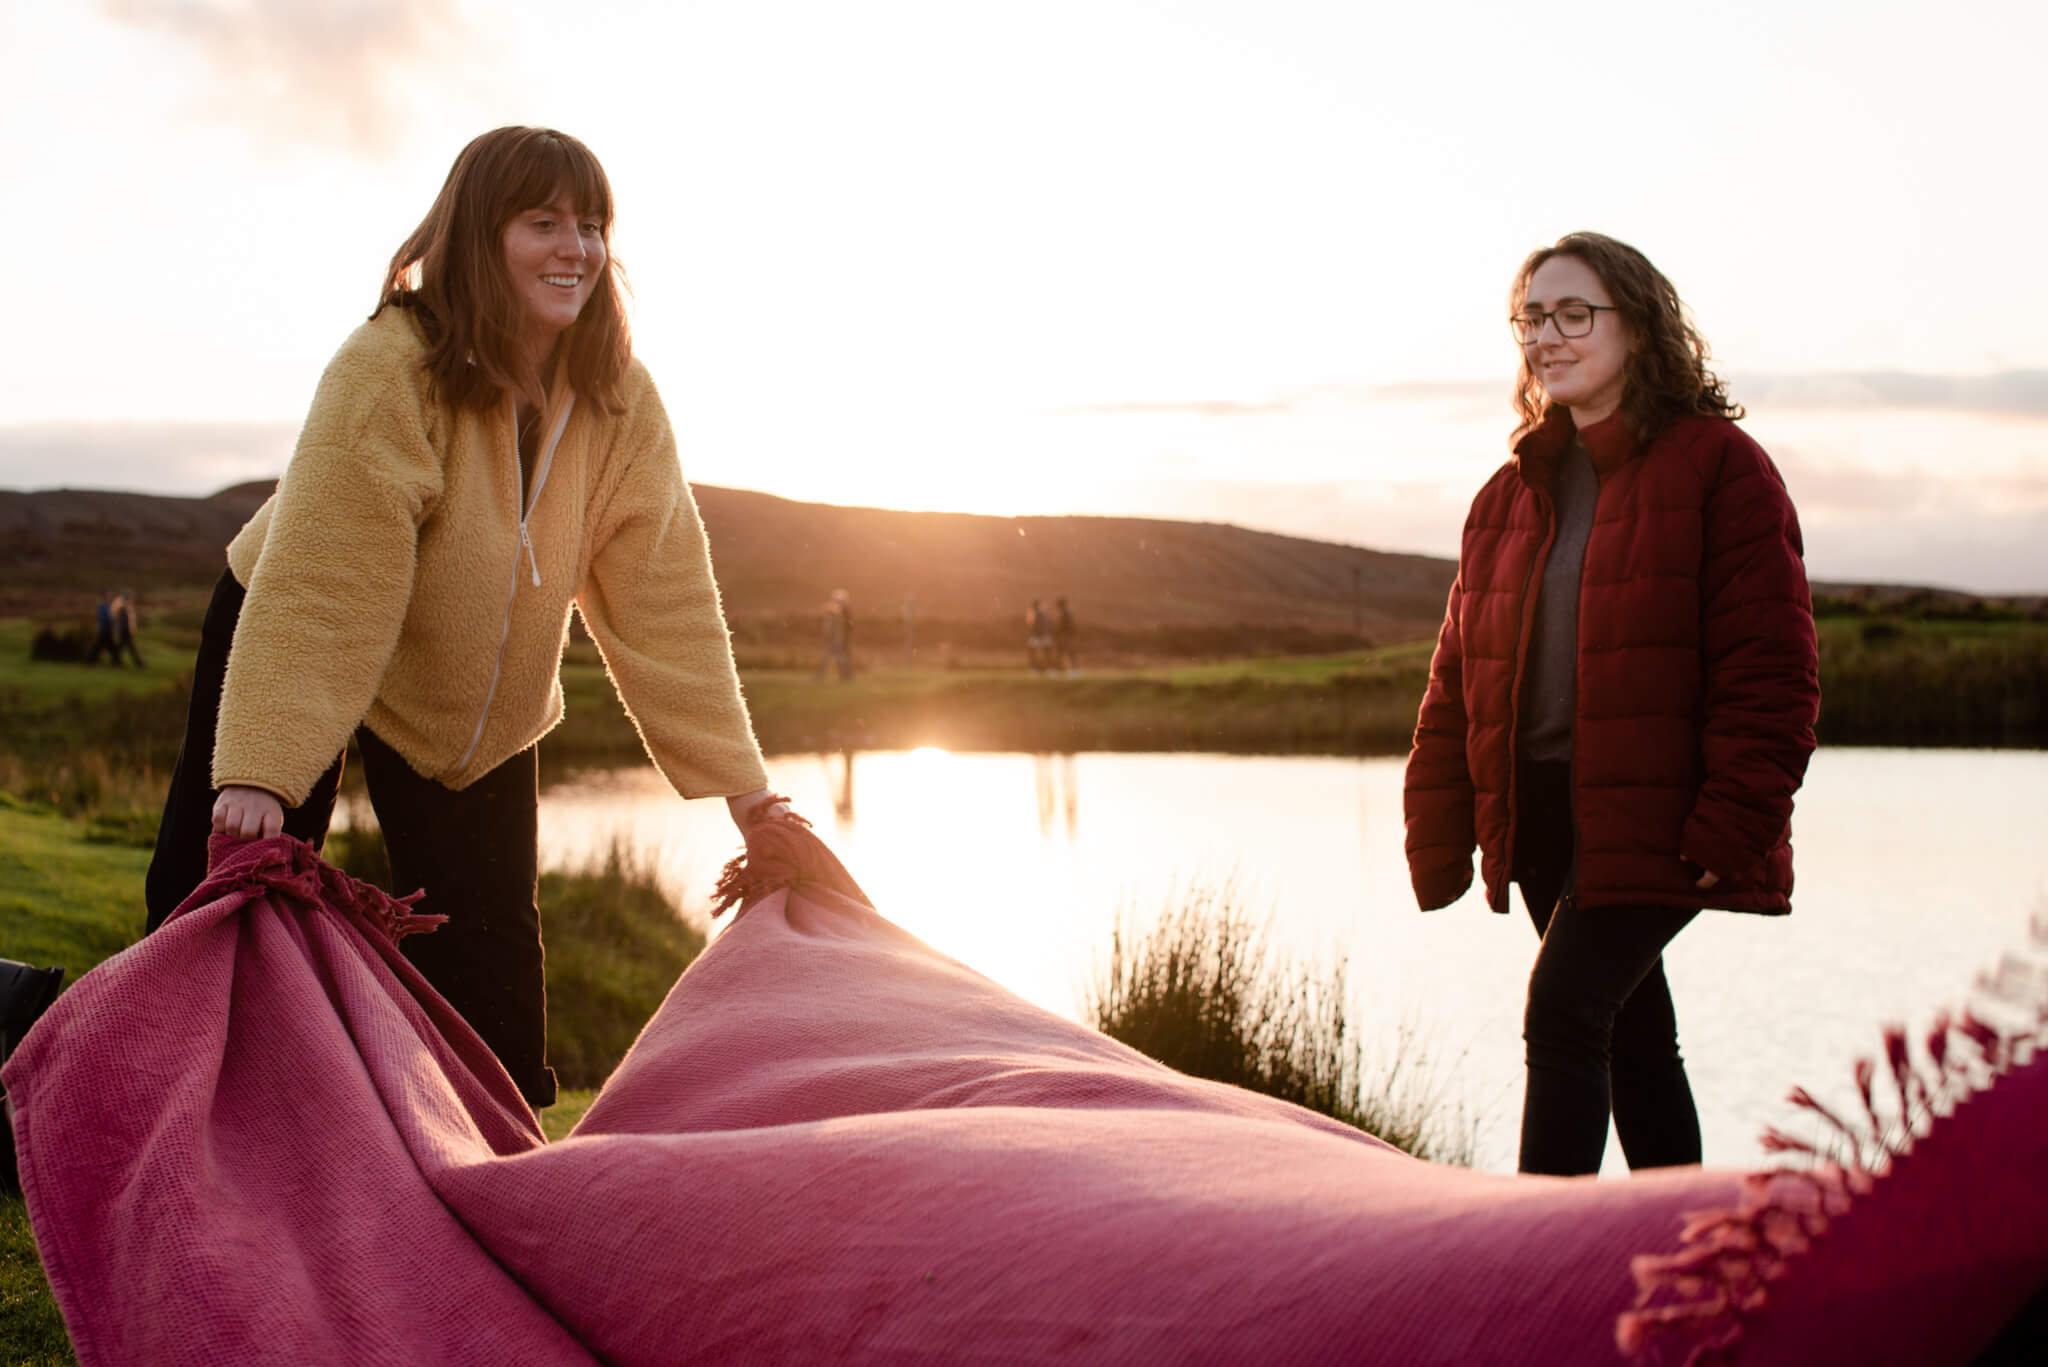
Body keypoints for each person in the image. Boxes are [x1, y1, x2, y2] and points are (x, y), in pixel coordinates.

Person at [144, 126, 788, 1111]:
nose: (575, 246)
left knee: (489, 971)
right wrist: (264, 770)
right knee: (223, 901)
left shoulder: (618, 397)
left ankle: (496, 1164)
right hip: (290, 625)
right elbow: (328, 584)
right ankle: (139, 1104)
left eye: (592, 224)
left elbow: (664, 597)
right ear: (479, 235)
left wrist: (745, 793)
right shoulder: (391, 366)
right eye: (543, 222)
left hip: (469, 697)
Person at [1401, 232, 1819, 1178]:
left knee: (1562, 1013)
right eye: (1532, 318)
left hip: (1659, 816)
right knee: (1633, 1037)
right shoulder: (1506, 497)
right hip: (1546, 814)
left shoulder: (1721, 469)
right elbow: (1455, 684)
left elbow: (1774, 670)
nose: (1547, 336)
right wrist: (1439, 829)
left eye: (1573, 314)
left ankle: (1533, 1269)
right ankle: (1676, 1250)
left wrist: (1732, 826)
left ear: (1639, 327)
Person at [815, 589, 853, 683]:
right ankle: (846, 676)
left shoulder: (838, 611)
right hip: (837, 639)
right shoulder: (841, 611)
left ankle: (821, 676)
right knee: (840, 658)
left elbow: (834, 627)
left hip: (836, 639)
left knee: (830, 658)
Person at [83, 589, 118, 666]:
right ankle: (89, 661)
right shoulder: (102, 606)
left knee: (110, 647)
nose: (111, 597)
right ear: (105, 597)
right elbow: (102, 617)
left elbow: (112, 617)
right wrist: (110, 620)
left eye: (111, 595)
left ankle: (116, 662)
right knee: (98, 646)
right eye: (109, 595)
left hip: (108, 630)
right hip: (103, 630)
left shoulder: (110, 606)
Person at [111, 588, 145, 667]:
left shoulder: (127, 604)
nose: (131, 597)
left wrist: (132, 628)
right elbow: (117, 615)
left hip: (126, 629)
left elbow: (131, 618)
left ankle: (116, 661)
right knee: (127, 646)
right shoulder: (121, 603)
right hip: (123, 629)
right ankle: (138, 663)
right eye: (129, 595)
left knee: (125, 646)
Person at [1053, 596, 1077, 676]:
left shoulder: (1064, 614)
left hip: (1064, 636)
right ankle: (1070, 670)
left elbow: (1061, 626)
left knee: (1064, 653)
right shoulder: (1067, 613)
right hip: (1066, 636)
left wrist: (1057, 633)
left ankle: (1072, 671)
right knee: (1066, 653)